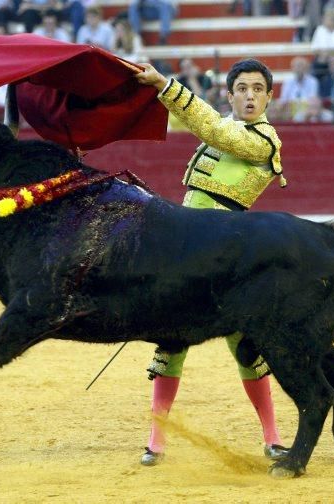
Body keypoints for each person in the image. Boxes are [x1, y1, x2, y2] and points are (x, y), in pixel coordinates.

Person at [132, 58, 289, 467]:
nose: (250, 95)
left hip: (226, 251)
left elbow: (213, 129)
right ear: (231, 94)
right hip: (187, 245)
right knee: (172, 340)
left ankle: (273, 438)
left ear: (269, 96)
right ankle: (156, 441)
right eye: (242, 89)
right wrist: (145, 90)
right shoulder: (223, 124)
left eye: (258, 88)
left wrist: (166, 85)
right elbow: (190, 120)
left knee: (244, 344)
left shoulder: (264, 140)